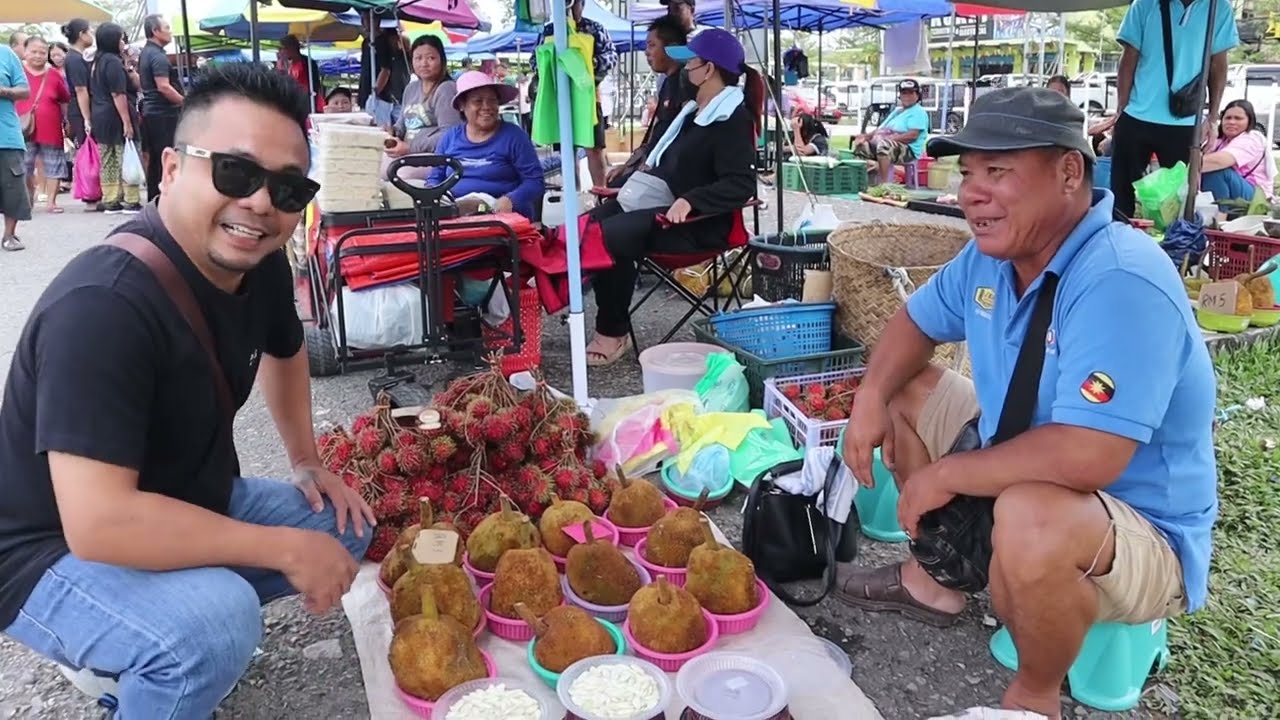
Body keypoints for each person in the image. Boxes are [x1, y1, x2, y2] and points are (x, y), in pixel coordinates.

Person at [0, 62, 367, 719]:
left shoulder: (259, 263)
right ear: (171, 168)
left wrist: (307, 461)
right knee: (216, 625)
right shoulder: (103, 306)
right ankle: (137, 640)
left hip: (179, 498)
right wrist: (283, 549)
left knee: (343, 524)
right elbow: (100, 523)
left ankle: (143, 628)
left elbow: (286, 351)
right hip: (49, 549)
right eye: (235, 172)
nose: (261, 203)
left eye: (288, 188)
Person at [837, 88, 1216, 720]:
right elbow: (915, 322)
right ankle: (936, 581)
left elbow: (1087, 456)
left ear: (1068, 173)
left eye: (997, 171)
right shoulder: (992, 256)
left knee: (1031, 516)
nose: (971, 193)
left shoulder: (1120, 277)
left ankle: (1035, 696)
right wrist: (871, 396)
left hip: (1136, 522)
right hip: (1021, 457)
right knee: (902, 385)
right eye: (967, 173)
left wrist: (945, 474)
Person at [585, 29, 761, 366]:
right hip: (662, 207)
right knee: (590, 225)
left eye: (689, 63)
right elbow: (667, 166)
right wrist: (633, 186)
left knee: (612, 236)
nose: (683, 70)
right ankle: (593, 312)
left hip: (699, 224)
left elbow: (741, 184)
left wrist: (692, 200)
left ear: (708, 70)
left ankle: (612, 331)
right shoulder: (692, 112)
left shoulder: (732, 118)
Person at [1091, 0, 1238, 218]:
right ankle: (1122, 235)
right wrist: (1122, 109)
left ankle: (1173, 240)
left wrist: (1213, 118)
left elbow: (1219, 65)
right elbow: (1129, 58)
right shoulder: (1144, 4)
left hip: (1185, 120)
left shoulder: (1218, 7)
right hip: (1137, 115)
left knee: (1178, 202)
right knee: (1123, 199)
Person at [429, 71, 543, 218]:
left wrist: (510, 200)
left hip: (503, 218)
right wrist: (436, 197)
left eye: (492, 100)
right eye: (478, 101)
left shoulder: (514, 136)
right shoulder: (449, 138)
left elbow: (535, 181)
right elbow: (434, 178)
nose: (486, 107)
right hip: (455, 215)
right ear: (462, 105)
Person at [532, 0, 618, 188]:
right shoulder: (549, 31)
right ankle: (573, 192)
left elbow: (612, 56)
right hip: (560, 98)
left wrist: (590, 63)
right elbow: (535, 61)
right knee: (567, 150)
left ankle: (600, 193)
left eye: (573, 3)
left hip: (589, 97)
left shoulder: (595, 28)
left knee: (594, 149)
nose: (569, 7)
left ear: (582, 4)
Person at [605, 15, 691, 189]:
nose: (646, 52)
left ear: (672, 48)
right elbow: (654, 138)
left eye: (652, 45)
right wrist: (627, 167)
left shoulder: (685, 85)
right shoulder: (667, 83)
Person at [384, 34, 461, 165]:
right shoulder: (411, 88)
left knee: (393, 172)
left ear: (442, 60)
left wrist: (410, 148)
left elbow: (450, 134)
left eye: (431, 58)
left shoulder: (446, 89)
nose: (424, 64)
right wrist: (392, 132)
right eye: (418, 58)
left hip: (435, 157)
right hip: (406, 154)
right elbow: (401, 125)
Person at [89, 23, 141, 215]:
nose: (123, 43)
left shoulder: (97, 61)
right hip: (115, 115)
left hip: (100, 115)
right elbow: (118, 93)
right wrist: (127, 122)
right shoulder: (112, 62)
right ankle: (131, 199)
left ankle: (111, 199)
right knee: (125, 154)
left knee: (108, 158)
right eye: (120, 39)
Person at [17, 36, 70, 215]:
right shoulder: (17, 72)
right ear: (25, 52)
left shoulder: (54, 74)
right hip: (23, 127)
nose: (38, 56)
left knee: (54, 164)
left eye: (42, 52)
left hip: (51, 126)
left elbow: (64, 99)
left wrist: (67, 121)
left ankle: (51, 202)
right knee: (24, 166)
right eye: (34, 51)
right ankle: (27, 200)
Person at [851, 78, 929, 187]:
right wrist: (865, 137)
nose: (907, 96)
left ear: (917, 95)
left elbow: (913, 136)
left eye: (911, 93)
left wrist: (889, 139)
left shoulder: (918, 112)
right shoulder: (897, 111)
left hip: (908, 150)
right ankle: (864, 182)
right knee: (862, 146)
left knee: (884, 145)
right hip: (885, 144)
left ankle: (884, 184)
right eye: (904, 93)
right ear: (900, 95)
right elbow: (880, 129)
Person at [139, 14, 183, 202]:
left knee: (157, 159)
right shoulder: (157, 56)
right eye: (166, 28)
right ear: (155, 31)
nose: (170, 32)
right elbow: (164, 87)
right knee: (164, 158)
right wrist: (186, 102)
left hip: (152, 113)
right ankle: (161, 198)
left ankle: (156, 197)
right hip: (162, 114)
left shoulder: (147, 53)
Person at [1199, 99, 1275, 203]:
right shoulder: (1221, 140)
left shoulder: (1252, 139)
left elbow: (1216, 162)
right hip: (1237, 191)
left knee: (1217, 171)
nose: (1231, 122)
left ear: (1249, 121)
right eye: (1228, 118)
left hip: (1257, 198)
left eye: (1238, 118)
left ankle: (1220, 212)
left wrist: (1186, 163)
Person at [0, 43, 30, 251]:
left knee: (12, 187)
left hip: (6, 134)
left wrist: (3, 90)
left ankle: (9, 235)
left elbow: (24, 90)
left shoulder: (6, 53)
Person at [278, 34, 324, 114]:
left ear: (292, 48)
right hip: (295, 102)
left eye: (283, 48)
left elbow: (314, 85)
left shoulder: (307, 63)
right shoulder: (289, 65)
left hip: (309, 102)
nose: (281, 51)